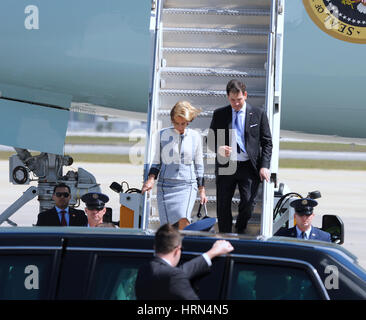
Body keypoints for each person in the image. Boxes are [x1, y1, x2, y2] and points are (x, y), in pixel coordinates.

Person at [208, 79, 272, 233]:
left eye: (239, 100)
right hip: (227, 165)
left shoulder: (258, 114)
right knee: (223, 205)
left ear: (245, 95)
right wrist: (219, 148)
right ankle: (225, 234)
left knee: (248, 204)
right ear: (228, 97)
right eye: (232, 100)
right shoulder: (220, 114)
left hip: (248, 166)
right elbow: (209, 140)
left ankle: (240, 228)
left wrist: (264, 166)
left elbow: (267, 142)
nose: (236, 103)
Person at [142, 101, 208, 230]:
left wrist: (202, 190)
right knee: (168, 227)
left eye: (183, 123)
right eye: (176, 123)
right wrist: (150, 180)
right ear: (172, 120)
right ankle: (171, 249)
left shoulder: (195, 137)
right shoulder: (162, 135)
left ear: (188, 121)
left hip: (187, 185)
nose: (179, 127)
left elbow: (199, 165)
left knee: (183, 218)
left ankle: (183, 247)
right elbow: (156, 161)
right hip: (165, 187)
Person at [134, 223, 234, 300]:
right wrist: (213, 252)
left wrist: (211, 254)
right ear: (177, 250)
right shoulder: (173, 276)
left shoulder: (144, 270)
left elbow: (181, 272)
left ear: (155, 247)